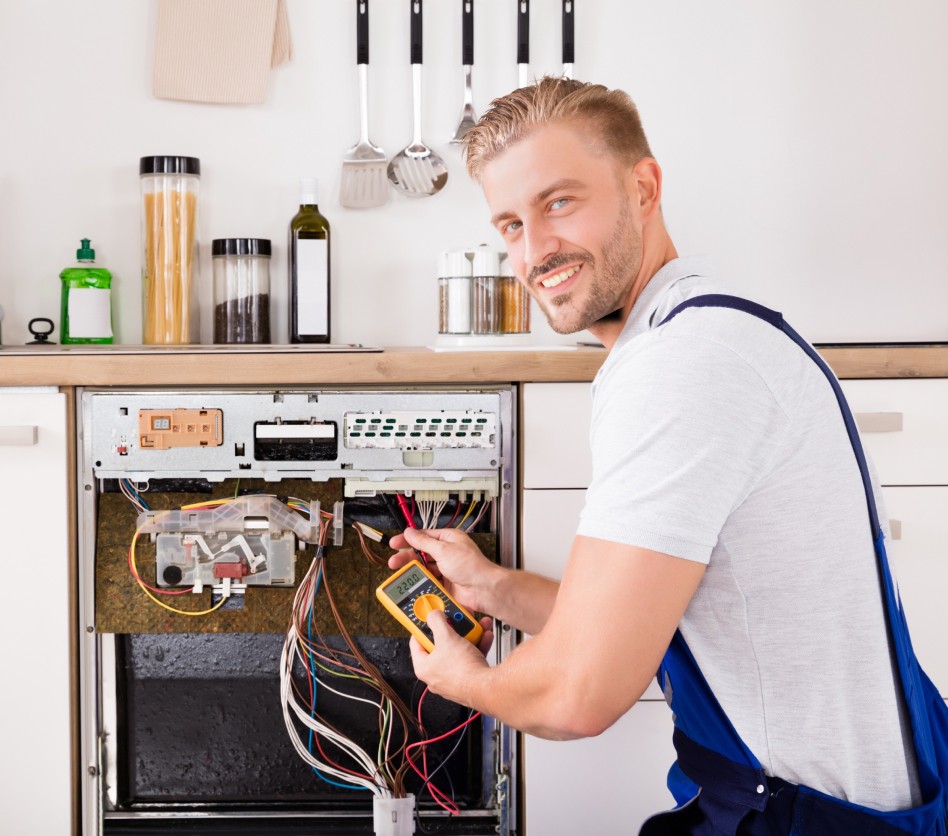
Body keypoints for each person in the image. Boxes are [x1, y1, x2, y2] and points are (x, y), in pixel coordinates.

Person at [387, 77, 933, 832]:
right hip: (829, 801)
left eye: (559, 202)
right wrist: (496, 590)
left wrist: (465, 678)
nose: (535, 250)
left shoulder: (682, 365)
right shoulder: (708, 326)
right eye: (510, 224)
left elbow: (578, 694)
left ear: (643, 187)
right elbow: (649, 618)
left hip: (810, 818)